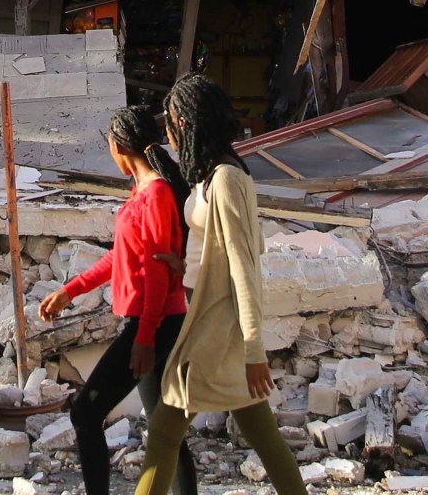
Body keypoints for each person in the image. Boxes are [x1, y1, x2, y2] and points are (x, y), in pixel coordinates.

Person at [131, 75, 306, 495]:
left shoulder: (227, 179)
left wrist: (253, 348)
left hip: (217, 324)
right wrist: (182, 265)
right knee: (260, 432)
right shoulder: (210, 177)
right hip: (205, 313)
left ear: (189, 124)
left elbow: (243, 265)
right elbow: (211, 250)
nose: (170, 135)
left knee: (164, 428)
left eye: (173, 125)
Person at [39, 106, 197, 495]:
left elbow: (159, 269)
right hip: (153, 320)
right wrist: (70, 290)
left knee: (85, 412)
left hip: (155, 321)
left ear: (117, 144)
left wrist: (144, 336)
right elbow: (122, 257)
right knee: (165, 427)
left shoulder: (157, 193)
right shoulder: (142, 191)